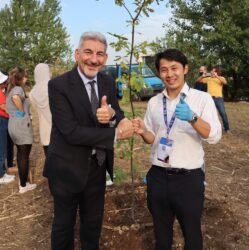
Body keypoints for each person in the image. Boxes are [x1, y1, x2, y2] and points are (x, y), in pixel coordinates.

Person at [43, 31, 133, 249]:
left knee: (92, 225)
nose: (94, 59)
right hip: (67, 168)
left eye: (100, 54)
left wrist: (114, 116)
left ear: (106, 58)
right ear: (77, 54)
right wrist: (115, 134)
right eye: (88, 52)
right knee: (64, 226)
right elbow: (70, 131)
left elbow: (116, 111)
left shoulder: (107, 81)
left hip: (97, 166)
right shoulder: (58, 86)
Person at [132, 49, 221, 250]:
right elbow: (152, 138)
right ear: (159, 73)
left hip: (188, 179)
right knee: (161, 236)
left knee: (192, 235)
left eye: (174, 68)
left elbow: (214, 135)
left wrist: (193, 117)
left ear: (185, 69)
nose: (169, 74)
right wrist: (142, 131)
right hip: (158, 176)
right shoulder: (155, 102)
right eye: (164, 70)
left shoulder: (201, 99)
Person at [6, 67, 36, 194]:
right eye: (25, 76)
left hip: (13, 124)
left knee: (20, 154)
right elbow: (16, 98)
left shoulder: (11, 88)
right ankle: (23, 185)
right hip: (21, 126)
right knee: (24, 155)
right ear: (20, 78)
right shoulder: (17, 89)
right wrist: (22, 111)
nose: (26, 78)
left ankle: (23, 181)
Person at [30, 63, 52, 157]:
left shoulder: (32, 93)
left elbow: (36, 109)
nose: (50, 74)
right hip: (59, 129)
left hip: (44, 131)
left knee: (49, 159)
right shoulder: (54, 86)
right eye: (49, 71)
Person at [204, 67, 230, 133]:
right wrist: (202, 76)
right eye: (212, 71)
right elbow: (198, 81)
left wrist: (217, 76)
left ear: (217, 72)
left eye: (214, 71)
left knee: (223, 113)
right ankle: (210, 128)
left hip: (218, 98)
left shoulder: (221, 78)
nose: (212, 72)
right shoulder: (208, 79)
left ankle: (227, 129)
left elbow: (225, 82)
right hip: (210, 99)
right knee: (209, 114)